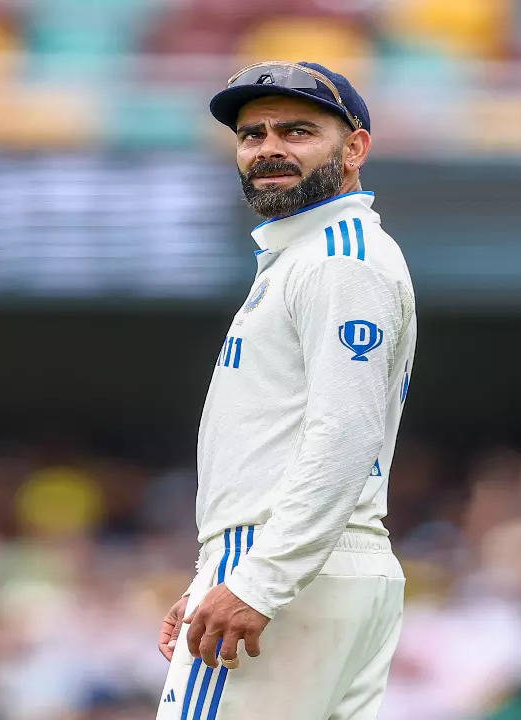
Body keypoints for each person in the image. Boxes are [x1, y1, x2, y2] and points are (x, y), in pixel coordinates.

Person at [155, 61, 418, 720]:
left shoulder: (338, 259)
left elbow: (344, 433)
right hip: (328, 568)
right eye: (253, 134)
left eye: (297, 131)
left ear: (354, 147)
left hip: (292, 569)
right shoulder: (316, 254)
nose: (268, 148)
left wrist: (257, 579)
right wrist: (220, 573)